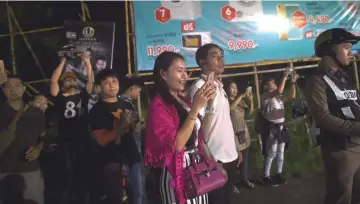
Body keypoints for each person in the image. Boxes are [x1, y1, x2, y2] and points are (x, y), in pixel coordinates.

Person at [144, 51, 218, 204]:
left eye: (185, 71)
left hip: (197, 171)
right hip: (177, 174)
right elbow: (176, 145)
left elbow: (201, 135)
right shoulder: (159, 105)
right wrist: (195, 109)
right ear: (164, 74)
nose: (185, 76)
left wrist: (209, 103)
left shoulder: (183, 101)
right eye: (179, 71)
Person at [304, 28, 360, 204]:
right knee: (342, 197)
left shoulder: (344, 77)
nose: (351, 53)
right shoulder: (316, 78)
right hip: (341, 150)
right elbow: (322, 117)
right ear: (329, 50)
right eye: (346, 47)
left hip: (358, 143)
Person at [187, 44, 238, 204]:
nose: (221, 59)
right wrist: (213, 163)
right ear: (202, 62)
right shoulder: (199, 88)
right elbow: (198, 134)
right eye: (215, 55)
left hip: (230, 157)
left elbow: (224, 121)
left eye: (222, 55)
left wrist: (235, 148)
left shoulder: (219, 85)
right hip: (215, 160)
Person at [49, 56, 93, 204]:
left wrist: (87, 62)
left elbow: (90, 80)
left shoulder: (83, 96)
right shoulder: (59, 97)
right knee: (67, 175)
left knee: (83, 174)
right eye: (67, 80)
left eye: (72, 79)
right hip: (66, 141)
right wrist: (62, 62)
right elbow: (53, 81)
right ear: (63, 85)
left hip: (83, 141)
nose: (71, 81)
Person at [89, 69, 133, 204]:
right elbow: (102, 140)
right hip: (110, 161)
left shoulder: (126, 104)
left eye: (114, 81)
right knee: (116, 197)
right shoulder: (97, 109)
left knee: (136, 196)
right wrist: (120, 126)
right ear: (99, 87)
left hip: (132, 159)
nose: (111, 85)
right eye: (106, 82)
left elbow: (134, 129)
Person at [0, 75, 46, 204]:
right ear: (3, 90)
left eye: (17, 86)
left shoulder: (36, 112)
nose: (13, 90)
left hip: (30, 170)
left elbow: (43, 137)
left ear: (24, 89)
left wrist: (38, 149)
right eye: (8, 86)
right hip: (3, 171)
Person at [260, 69, 297, 186]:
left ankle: (279, 173)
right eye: (272, 82)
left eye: (275, 82)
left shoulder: (278, 97)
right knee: (272, 153)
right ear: (267, 85)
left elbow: (292, 96)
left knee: (281, 152)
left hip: (281, 126)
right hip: (272, 126)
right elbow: (279, 90)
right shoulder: (266, 96)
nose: (275, 84)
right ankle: (266, 176)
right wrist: (285, 76)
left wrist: (293, 83)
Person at [119, 77, 147, 204]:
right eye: (138, 91)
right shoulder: (126, 104)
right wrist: (142, 126)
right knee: (137, 187)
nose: (138, 94)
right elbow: (133, 128)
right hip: (131, 149)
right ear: (132, 89)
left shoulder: (119, 102)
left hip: (125, 150)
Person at [224, 80, 255, 193]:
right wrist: (241, 95)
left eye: (236, 88)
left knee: (245, 159)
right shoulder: (225, 101)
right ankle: (231, 184)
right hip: (233, 135)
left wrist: (251, 101)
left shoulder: (240, 101)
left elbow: (249, 113)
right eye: (232, 87)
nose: (235, 90)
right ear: (227, 89)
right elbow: (231, 108)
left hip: (244, 132)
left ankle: (244, 179)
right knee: (235, 161)